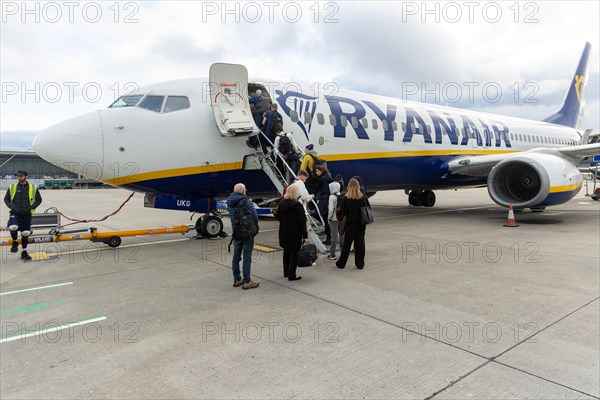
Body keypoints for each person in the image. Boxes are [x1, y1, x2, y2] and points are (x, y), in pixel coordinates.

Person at [226, 183, 259, 289]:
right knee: (247, 257)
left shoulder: (229, 201)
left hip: (236, 232)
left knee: (236, 257)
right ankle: (247, 280)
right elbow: (254, 216)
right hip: (247, 233)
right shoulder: (246, 201)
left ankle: (237, 279)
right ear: (243, 191)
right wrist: (255, 227)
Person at [4, 170, 42, 260]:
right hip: (15, 212)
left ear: (26, 176)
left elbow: (39, 199)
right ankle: (15, 242)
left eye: (21, 176)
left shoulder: (33, 187)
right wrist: (11, 206)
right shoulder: (12, 187)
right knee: (12, 227)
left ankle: (24, 252)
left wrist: (32, 207)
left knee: (25, 233)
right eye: (18, 176)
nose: (19, 177)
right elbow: (6, 199)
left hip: (26, 214)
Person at [276, 185, 307, 281]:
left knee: (286, 252)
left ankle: (286, 272)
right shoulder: (298, 206)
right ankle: (292, 274)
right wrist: (305, 235)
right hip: (295, 233)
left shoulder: (282, 204)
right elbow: (302, 222)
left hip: (284, 232)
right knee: (294, 253)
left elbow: (278, 217)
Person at [336, 178, 368, 270]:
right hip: (361, 224)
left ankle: (341, 264)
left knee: (347, 244)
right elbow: (367, 208)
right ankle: (360, 264)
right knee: (360, 244)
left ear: (349, 186)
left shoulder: (346, 198)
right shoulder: (363, 196)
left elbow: (343, 212)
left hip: (350, 224)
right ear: (358, 186)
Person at [314, 164, 333, 244]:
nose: (316, 172)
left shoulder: (321, 179)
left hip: (323, 199)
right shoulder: (328, 176)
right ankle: (327, 231)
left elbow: (316, 188)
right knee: (325, 219)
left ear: (321, 171)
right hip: (327, 199)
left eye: (317, 171)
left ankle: (328, 237)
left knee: (317, 214)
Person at [327, 181, 344, 261]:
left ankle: (332, 254)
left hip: (333, 219)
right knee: (341, 235)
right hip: (341, 219)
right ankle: (343, 253)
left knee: (334, 237)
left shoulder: (331, 197)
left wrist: (329, 217)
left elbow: (331, 209)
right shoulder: (341, 195)